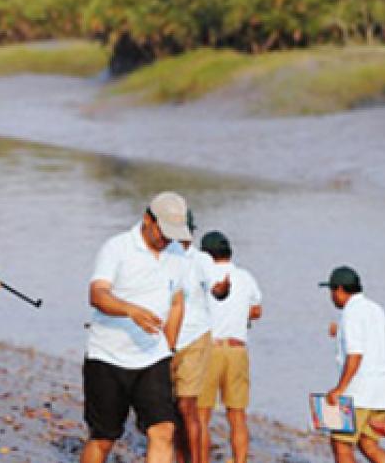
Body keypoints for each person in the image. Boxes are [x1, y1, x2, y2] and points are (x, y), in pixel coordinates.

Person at [80, 192, 191, 463]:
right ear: (147, 219)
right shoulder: (116, 248)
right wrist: (130, 310)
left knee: (163, 431)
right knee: (104, 438)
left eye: (173, 233)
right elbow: (97, 295)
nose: (168, 239)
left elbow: (177, 303)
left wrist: (170, 348)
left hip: (153, 358)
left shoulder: (178, 255)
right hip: (107, 356)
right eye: (164, 231)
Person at [197, 231, 262, 463]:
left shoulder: (202, 275)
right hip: (237, 349)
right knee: (237, 415)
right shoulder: (244, 276)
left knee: (201, 415)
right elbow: (256, 310)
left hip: (209, 349)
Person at [320, 266, 385, 463]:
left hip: (358, 392)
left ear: (339, 289)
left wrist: (339, 389)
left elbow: (355, 355)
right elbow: (370, 340)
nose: (331, 297)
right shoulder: (376, 309)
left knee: (341, 445)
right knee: (368, 444)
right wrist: (340, 334)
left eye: (331, 291)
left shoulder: (350, 313)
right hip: (383, 392)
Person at [172, 213, 230, 463]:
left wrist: (222, 288)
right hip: (165, 339)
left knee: (187, 405)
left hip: (194, 337)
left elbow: (218, 289)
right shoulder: (164, 257)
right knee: (171, 410)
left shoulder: (201, 260)